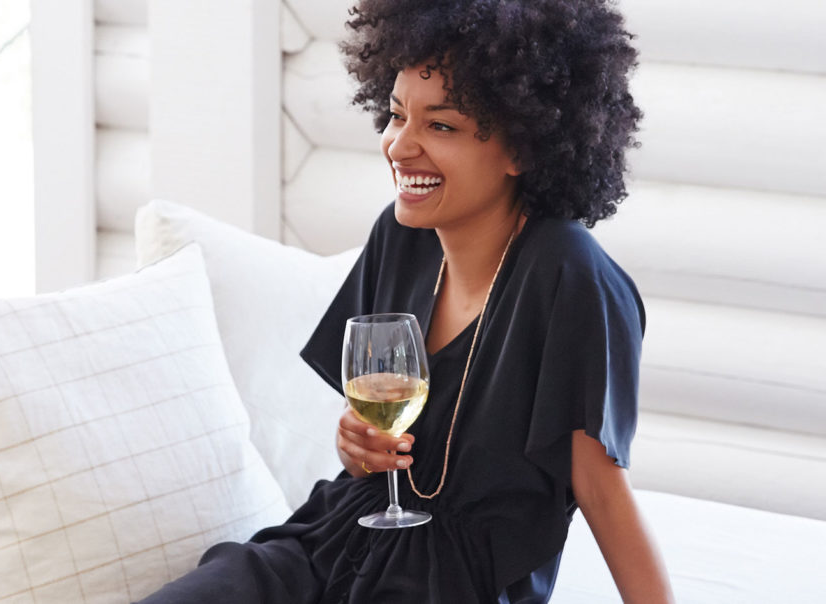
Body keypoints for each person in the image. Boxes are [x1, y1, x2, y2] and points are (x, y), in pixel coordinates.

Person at [139, 0, 674, 602]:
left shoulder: (570, 274)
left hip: (448, 583)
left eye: (440, 126)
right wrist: (357, 448)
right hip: (334, 541)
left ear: (522, 148)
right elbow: (369, 445)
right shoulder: (400, 236)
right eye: (396, 116)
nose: (400, 147)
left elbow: (601, 489)